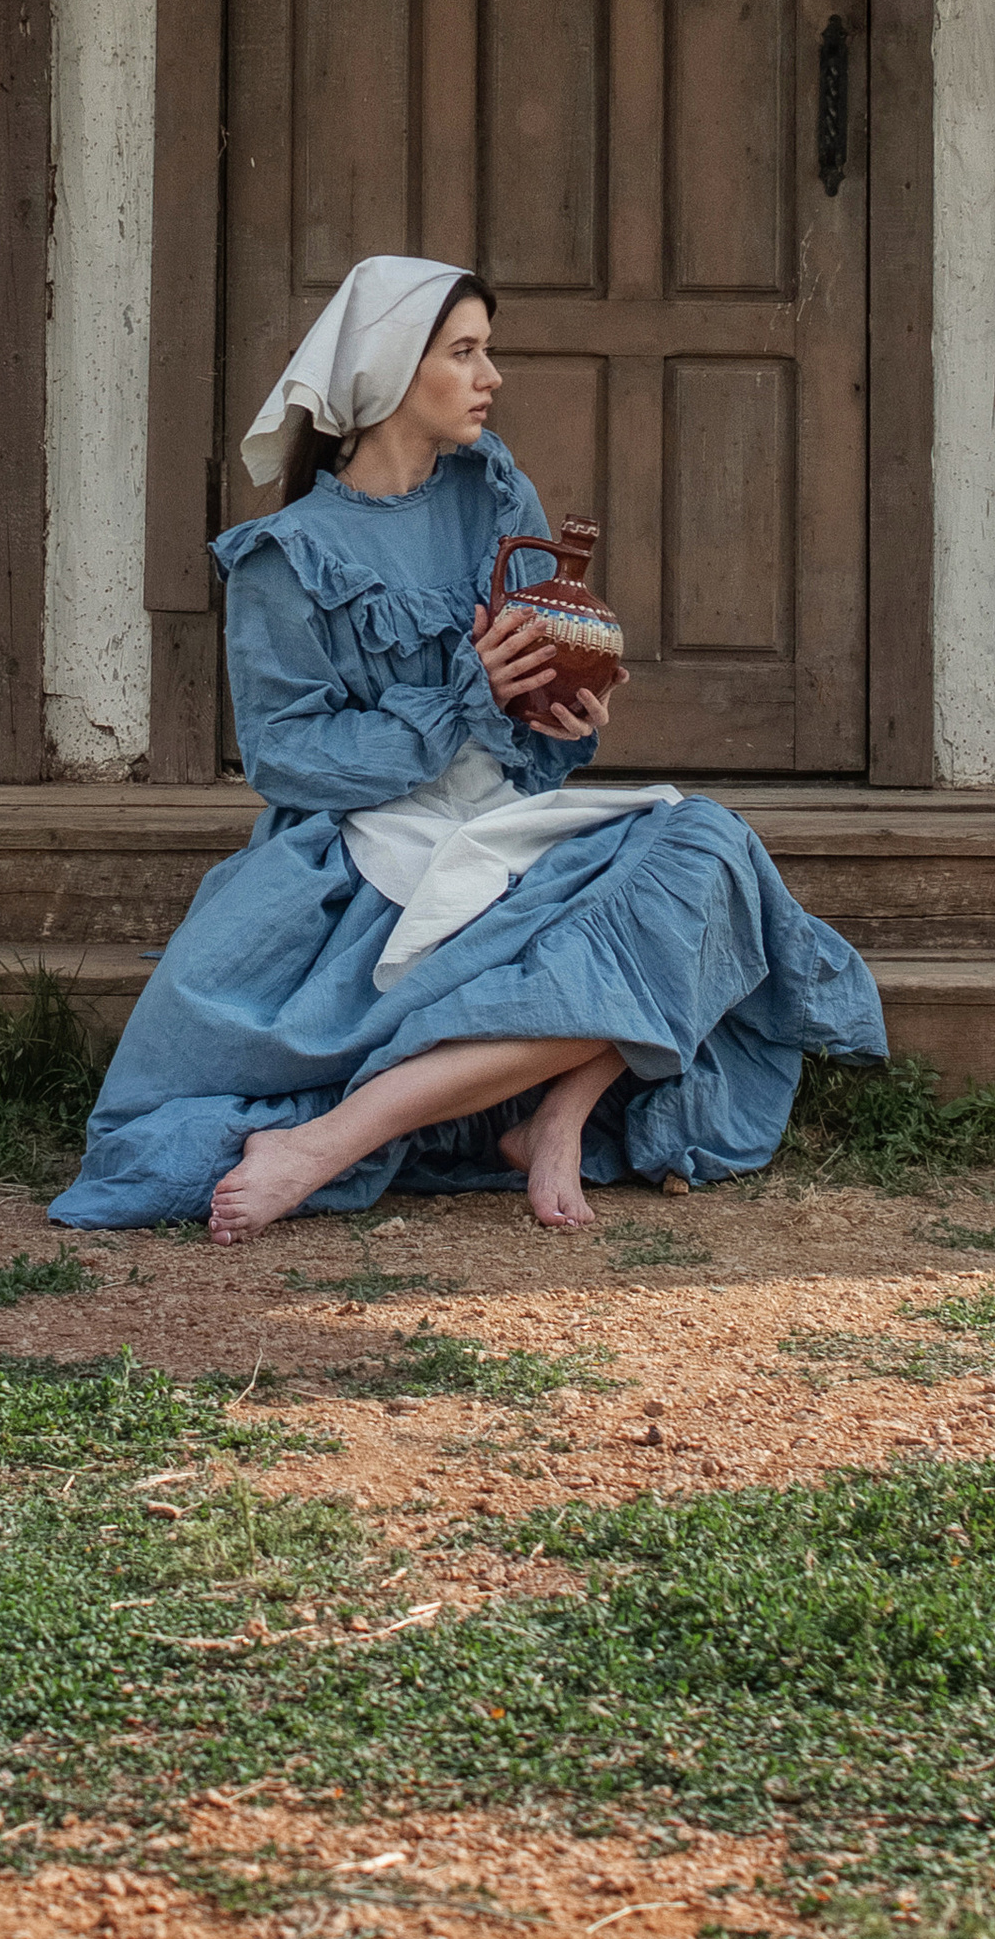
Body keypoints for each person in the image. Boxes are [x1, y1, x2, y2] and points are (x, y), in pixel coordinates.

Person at [49, 256, 887, 1242]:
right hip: (364, 853)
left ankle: (549, 1118)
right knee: (161, 1149)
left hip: (500, 820)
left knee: (704, 849)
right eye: (464, 351)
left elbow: (520, 714)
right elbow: (287, 760)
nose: (490, 375)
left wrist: (556, 725)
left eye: (486, 349)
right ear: (391, 371)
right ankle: (333, 1137)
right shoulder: (289, 556)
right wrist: (456, 704)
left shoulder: (495, 496)